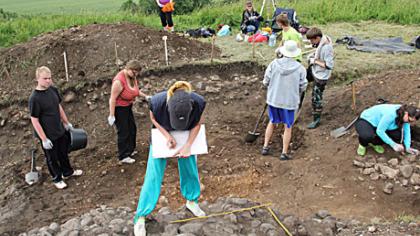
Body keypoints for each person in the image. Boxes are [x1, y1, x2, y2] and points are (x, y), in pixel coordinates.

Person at [134, 81, 206, 236]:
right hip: (162, 137)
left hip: (186, 136)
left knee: (190, 167)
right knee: (154, 174)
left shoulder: (199, 102)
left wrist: (188, 145)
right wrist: (167, 135)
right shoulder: (157, 102)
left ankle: (191, 201)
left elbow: (197, 124)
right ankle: (141, 216)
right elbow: (153, 119)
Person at [29, 66, 82, 189]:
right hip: (47, 134)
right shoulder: (35, 98)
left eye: (49, 78)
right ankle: (57, 178)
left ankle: (67, 172)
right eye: (45, 78)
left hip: (59, 129)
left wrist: (66, 122)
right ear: (37, 79)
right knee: (52, 158)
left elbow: (58, 107)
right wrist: (44, 139)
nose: (48, 81)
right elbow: (34, 120)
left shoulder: (53, 89)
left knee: (63, 152)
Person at [262, 40, 307, 160]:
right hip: (289, 102)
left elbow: (266, 81)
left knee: (272, 121)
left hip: (274, 100)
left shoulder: (273, 64)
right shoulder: (300, 68)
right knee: (288, 126)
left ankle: (265, 146)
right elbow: (303, 86)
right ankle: (284, 152)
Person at [108, 60, 149, 164]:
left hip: (128, 107)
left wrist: (146, 96)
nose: (136, 75)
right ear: (128, 69)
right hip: (119, 109)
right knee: (123, 131)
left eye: (137, 73)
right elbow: (112, 99)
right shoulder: (118, 81)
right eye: (134, 72)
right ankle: (123, 155)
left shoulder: (132, 77)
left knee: (132, 128)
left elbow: (135, 91)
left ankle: (130, 150)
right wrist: (112, 115)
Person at [355, 104, 420, 156]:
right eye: (409, 120)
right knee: (367, 135)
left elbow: (407, 131)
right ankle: (362, 144)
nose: (409, 122)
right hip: (367, 120)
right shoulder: (391, 114)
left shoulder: (405, 115)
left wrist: (408, 147)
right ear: (406, 113)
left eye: (411, 121)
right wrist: (393, 144)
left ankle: (374, 143)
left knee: (397, 136)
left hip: (382, 124)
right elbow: (380, 131)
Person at [305, 27, 334, 129]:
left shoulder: (327, 48)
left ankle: (316, 120)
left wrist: (315, 61)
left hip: (321, 76)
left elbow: (329, 65)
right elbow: (318, 51)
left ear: (317, 37)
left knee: (316, 98)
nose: (311, 42)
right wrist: (313, 55)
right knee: (303, 80)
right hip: (314, 70)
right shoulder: (322, 41)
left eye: (312, 40)